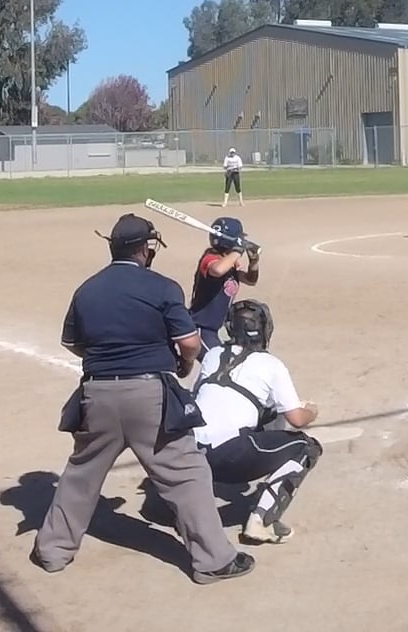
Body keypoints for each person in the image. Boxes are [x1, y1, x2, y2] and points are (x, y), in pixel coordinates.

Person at [35, 213, 253, 584]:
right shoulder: (162, 287)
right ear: (143, 249)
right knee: (186, 473)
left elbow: (72, 342)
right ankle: (213, 560)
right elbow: (189, 342)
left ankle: (52, 551)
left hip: (97, 394)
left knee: (81, 474)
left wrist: (106, 359)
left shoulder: (87, 289)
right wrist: (183, 365)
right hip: (150, 394)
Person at [194, 300, 322, 546]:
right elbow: (296, 419)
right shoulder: (271, 365)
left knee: (266, 415)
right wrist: (311, 412)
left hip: (188, 454)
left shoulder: (212, 354)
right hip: (228, 457)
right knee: (307, 447)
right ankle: (262, 521)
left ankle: (188, 509)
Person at [191, 217, 260, 350]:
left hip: (216, 329)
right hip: (201, 329)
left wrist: (254, 262)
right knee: (218, 361)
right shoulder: (209, 258)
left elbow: (250, 280)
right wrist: (238, 250)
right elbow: (218, 270)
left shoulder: (229, 261)